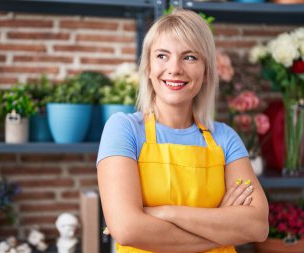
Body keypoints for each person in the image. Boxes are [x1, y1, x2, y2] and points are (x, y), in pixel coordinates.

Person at [97, 9, 269, 253]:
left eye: (189, 57)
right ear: (147, 66)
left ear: (207, 70)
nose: (175, 68)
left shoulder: (225, 138)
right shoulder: (123, 129)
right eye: (162, 56)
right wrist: (221, 225)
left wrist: (166, 213)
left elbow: (257, 227)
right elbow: (127, 229)